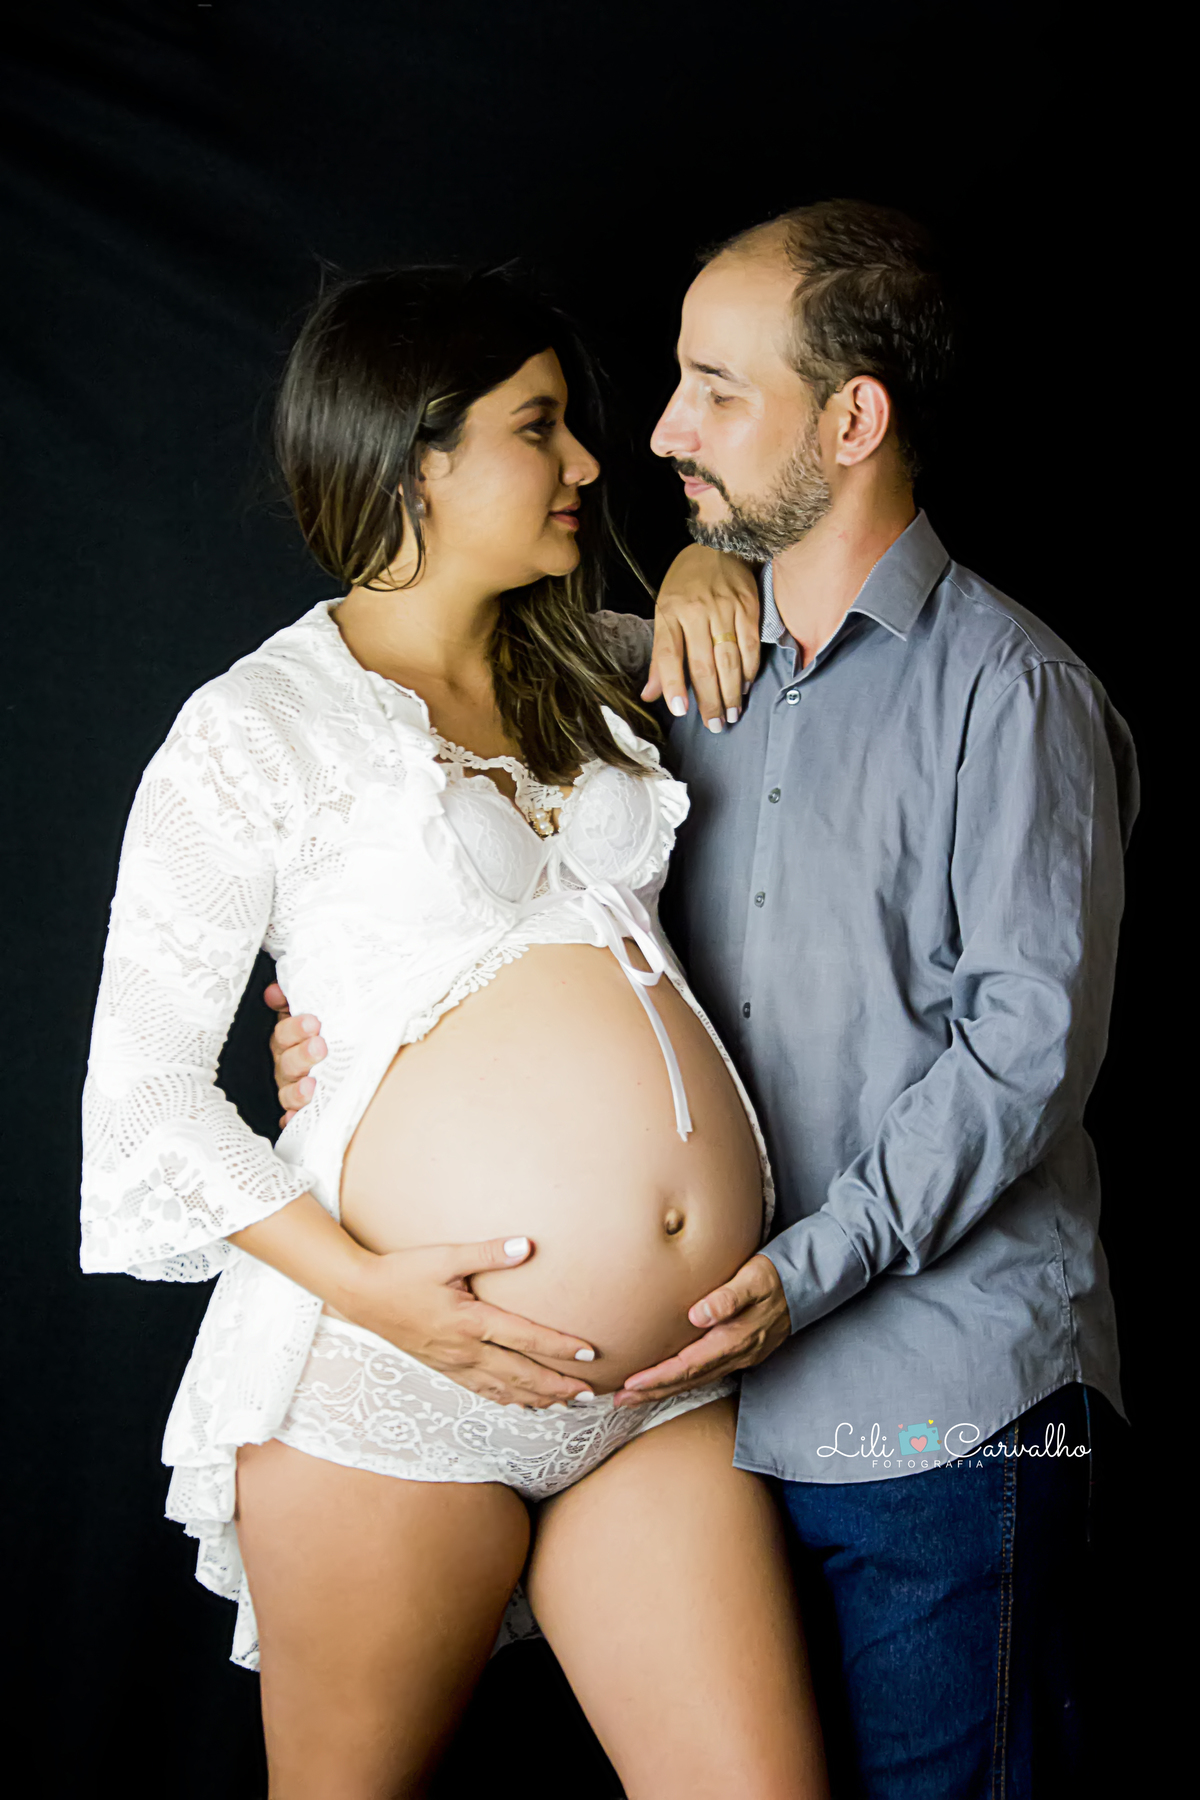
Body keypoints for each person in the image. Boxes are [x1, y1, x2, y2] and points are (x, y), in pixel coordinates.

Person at [274, 200, 1138, 1797]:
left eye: (713, 391)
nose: (659, 430)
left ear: (852, 418)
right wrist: (340, 1037)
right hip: (715, 1424)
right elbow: (501, 889)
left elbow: (1024, 1053)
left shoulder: (1009, 694)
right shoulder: (666, 673)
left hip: (939, 1418)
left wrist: (810, 1269)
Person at [79, 268, 829, 1800]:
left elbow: (774, 620)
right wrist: (374, 1292)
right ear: (411, 456)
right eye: (537, 428)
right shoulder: (258, 727)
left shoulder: (596, 667)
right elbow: (146, 1096)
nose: (584, 464)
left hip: (659, 1395)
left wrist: (702, 567)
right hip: (394, 1381)